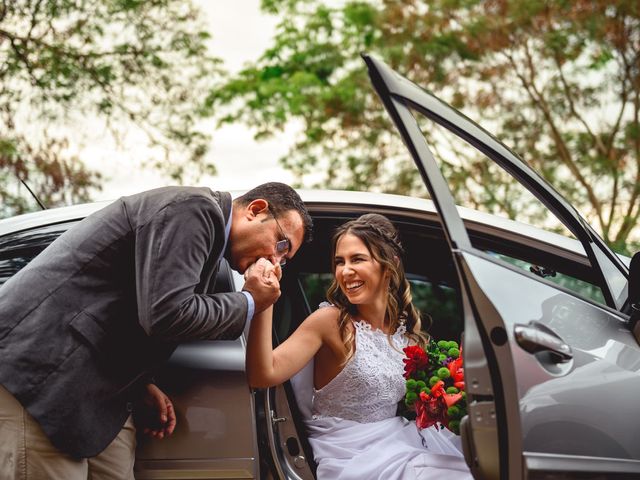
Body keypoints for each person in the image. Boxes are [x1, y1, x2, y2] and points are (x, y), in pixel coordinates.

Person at [0, 182, 313, 479]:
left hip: (97, 390)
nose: (276, 260)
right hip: (44, 375)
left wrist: (139, 383)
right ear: (256, 209)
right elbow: (167, 314)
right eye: (281, 244)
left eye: (284, 258)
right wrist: (249, 301)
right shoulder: (194, 211)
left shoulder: (210, 242)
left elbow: (132, 309)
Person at [246, 213, 471, 479]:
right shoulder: (330, 322)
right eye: (339, 262)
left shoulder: (406, 333)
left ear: (390, 266)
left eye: (357, 259)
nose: (345, 271)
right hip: (352, 456)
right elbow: (263, 374)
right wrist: (264, 301)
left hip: (399, 442)